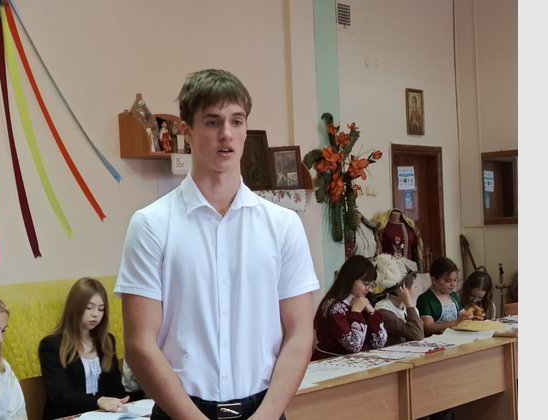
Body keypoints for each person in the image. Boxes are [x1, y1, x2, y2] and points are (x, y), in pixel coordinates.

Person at [115, 68, 319, 420]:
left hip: (263, 410)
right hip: (182, 411)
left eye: (236, 121)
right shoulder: (151, 225)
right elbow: (139, 345)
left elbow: (300, 334)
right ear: (186, 131)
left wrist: (266, 416)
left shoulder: (283, 225)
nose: (226, 134)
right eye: (212, 122)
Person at [39, 277, 131, 419]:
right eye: (89, 308)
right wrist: (99, 401)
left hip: (102, 416)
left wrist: (123, 401)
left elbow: (115, 390)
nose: (95, 314)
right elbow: (61, 396)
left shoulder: (106, 341)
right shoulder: (51, 345)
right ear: (74, 307)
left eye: (101, 309)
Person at [312, 255, 387, 361]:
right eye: (366, 284)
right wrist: (356, 312)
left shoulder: (360, 300)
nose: (370, 290)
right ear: (350, 279)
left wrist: (372, 313)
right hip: (330, 362)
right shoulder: (336, 307)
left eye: (371, 285)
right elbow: (354, 345)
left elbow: (380, 342)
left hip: (354, 361)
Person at [372, 254, 424, 346]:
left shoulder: (408, 309)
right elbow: (417, 335)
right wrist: (409, 304)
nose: (417, 289)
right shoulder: (384, 312)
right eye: (415, 286)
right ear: (403, 289)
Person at [416, 257, 473, 337]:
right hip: (436, 340)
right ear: (434, 280)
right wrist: (456, 322)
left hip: (455, 337)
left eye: (455, 280)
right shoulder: (425, 299)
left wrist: (472, 316)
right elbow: (428, 328)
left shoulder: (453, 296)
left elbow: (463, 315)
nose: (453, 284)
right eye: (447, 281)